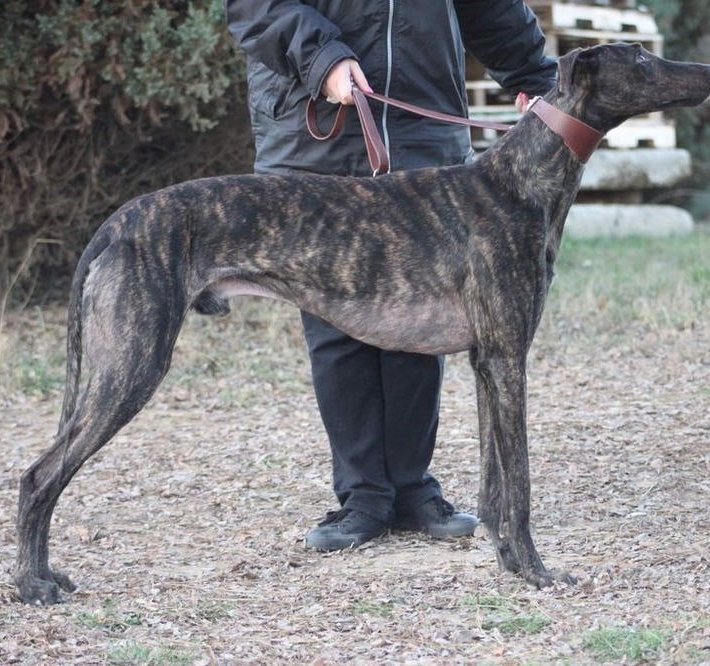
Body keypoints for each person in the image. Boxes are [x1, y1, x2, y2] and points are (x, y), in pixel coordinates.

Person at [225, 1, 557, 552]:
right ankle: (362, 496)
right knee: (335, 324)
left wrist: (533, 76)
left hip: (423, 126)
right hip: (314, 126)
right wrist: (321, 58)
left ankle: (410, 489)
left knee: (422, 318)